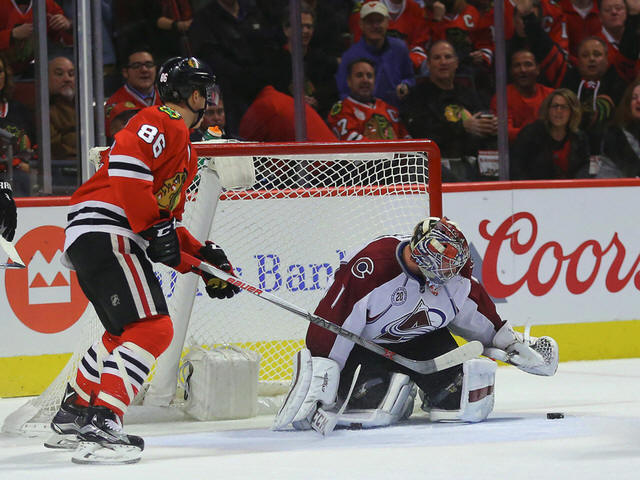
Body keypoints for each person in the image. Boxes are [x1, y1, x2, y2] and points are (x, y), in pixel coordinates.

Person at [47, 56, 240, 464]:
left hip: (96, 235)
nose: (207, 100)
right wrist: (153, 226)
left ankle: (75, 411)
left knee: (122, 333)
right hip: (108, 230)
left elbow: (164, 228)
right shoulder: (163, 120)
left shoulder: (185, 152)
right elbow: (127, 164)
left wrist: (203, 261)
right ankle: (104, 420)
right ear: (193, 95)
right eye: (204, 92)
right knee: (154, 328)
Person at [273, 217, 559, 431]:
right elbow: (332, 326)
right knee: (371, 402)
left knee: (458, 397)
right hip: (367, 347)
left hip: (422, 341)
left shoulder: (455, 280)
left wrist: (509, 344)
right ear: (423, 255)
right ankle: (395, 385)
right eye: (445, 264)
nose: (452, 272)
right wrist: (321, 380)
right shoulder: (372, 268)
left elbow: (479, 317)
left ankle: (413, 387)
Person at [400, 40, 497, 181]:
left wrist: (490, 126)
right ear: (428, 64)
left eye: (448, 57)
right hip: (435, 168)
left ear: (456, 63)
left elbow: (480, 119)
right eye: (437, 58)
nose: (443, 62)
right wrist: (462, 126)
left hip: (471, 163)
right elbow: (422, 134)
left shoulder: (468, 93)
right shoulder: (417, 96)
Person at [188, 0, 277, 136]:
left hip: (260, 85)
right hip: (228, 89)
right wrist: (245, 76)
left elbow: (269, 47)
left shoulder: (255, 11)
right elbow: (212, 59)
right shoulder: (205, 18)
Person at [264, 3, 339, 119]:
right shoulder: (274, 62)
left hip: (317, 118)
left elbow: (331, 89)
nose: (305, 31)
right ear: (286, 30)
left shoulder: (321, 60)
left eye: (309, 27)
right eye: (300, 26)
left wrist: (316, 100)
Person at [335, 1, 415, 108]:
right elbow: (343, 93)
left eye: (379, 21)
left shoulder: (400, 48)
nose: (375, 26)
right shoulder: (350, 56)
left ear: (387, 23)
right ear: (361, 25)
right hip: (364, 113)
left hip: (397, 111)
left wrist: (405, 85)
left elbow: (410, 77)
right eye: (370, 22)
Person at [511, 88, 590, 179]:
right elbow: (517, 168)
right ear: (548, 109)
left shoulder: (579, 138)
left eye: (564, 107)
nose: (559, 111)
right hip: (535, 186)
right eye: (555, 106)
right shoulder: (530, 134)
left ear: (572, 112)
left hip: (569, 187)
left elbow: (584, 168)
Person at [327, 58, 410, 141]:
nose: (365, 80)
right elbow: (351, 143)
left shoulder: (389, 109)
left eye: (369, 76)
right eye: (359, 75)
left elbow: (407, 140)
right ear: (349, 81)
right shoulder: (342, 110)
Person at [490, 49, 554, 143]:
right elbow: (505, 132)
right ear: (511, 71)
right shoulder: (502, 97)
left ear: (537, 69)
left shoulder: (551, 95)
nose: (523, 70)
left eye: (528, 64)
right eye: (517, 65)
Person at [348, 0, 431, 72]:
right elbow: (359, 47)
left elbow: (419, 47)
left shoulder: (416, 9)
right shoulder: (367, 7)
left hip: (406, 69)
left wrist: (404, 61)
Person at [238, 85, 336, 142]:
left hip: (321, 163)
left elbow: (244, 147)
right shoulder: (278, 99)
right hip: (331, 158)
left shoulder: (265, 104)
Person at [0, 0, 72, 78]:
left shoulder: (45, 4)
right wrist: (12, 34)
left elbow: (66, 39)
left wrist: (67, 25)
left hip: (30, 69)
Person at [104, 47, 162, 139]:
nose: (144, 70)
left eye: (149, 65)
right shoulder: (115, 103)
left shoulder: (168, 97)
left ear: (156, 69)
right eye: (136, 66)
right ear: (125, 72)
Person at [0, 52, 34, 196]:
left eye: (0, 71)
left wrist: (28, 165)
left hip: (17, 178)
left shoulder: (19, 110)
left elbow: (34, 149)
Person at [598, 79, 640, 177]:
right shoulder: (615, 134)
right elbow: (631, 169)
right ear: (628, 104)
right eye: (634, 98)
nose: (639, 101)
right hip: (615, 184)